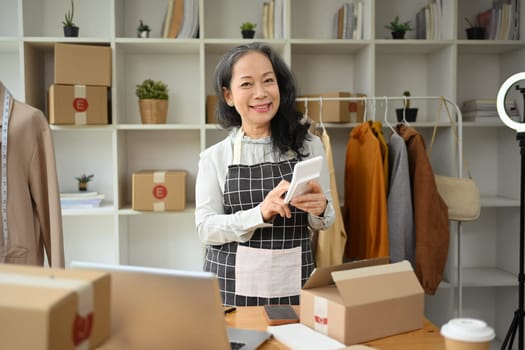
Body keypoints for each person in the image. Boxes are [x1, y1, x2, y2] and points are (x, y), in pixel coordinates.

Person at [194, 42, 335, 306]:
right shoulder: (214, 157)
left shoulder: (309, 146)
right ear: (228, 96)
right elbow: (206, 229)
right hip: (229, 291)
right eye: (246, 84)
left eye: (268, 81)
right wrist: (258, 214)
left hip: (293, 288)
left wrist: (320, 209)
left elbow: (325, 222)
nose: (261, 93)